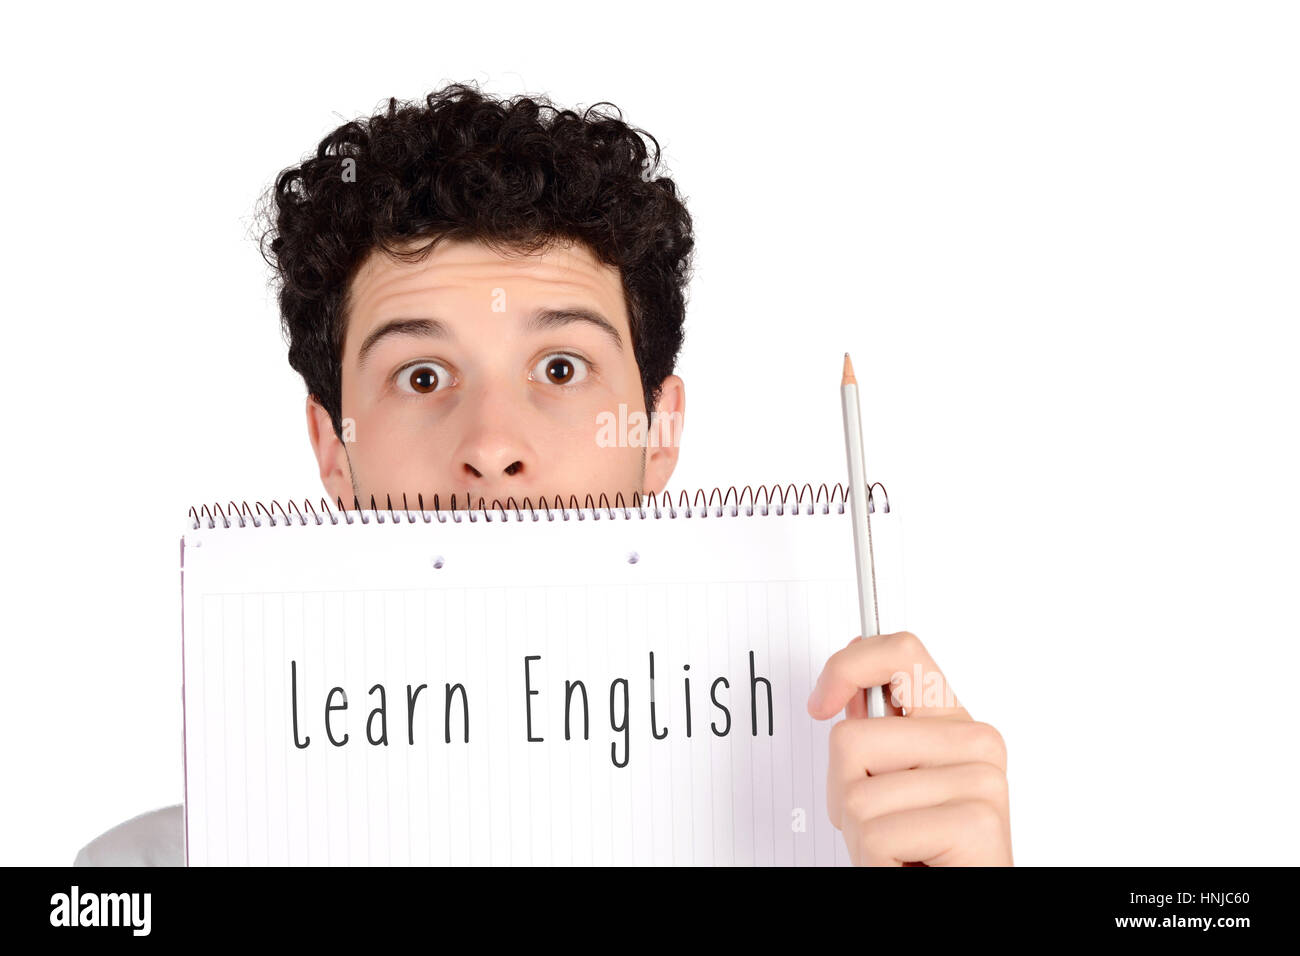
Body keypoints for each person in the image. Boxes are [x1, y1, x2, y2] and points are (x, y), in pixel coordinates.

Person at [75, 82, 1011, 866]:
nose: (492, 444)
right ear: (333, 450)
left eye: (561, 369)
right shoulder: (151, 877)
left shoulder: (856, 841)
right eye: (423, 375)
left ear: (659, 430)